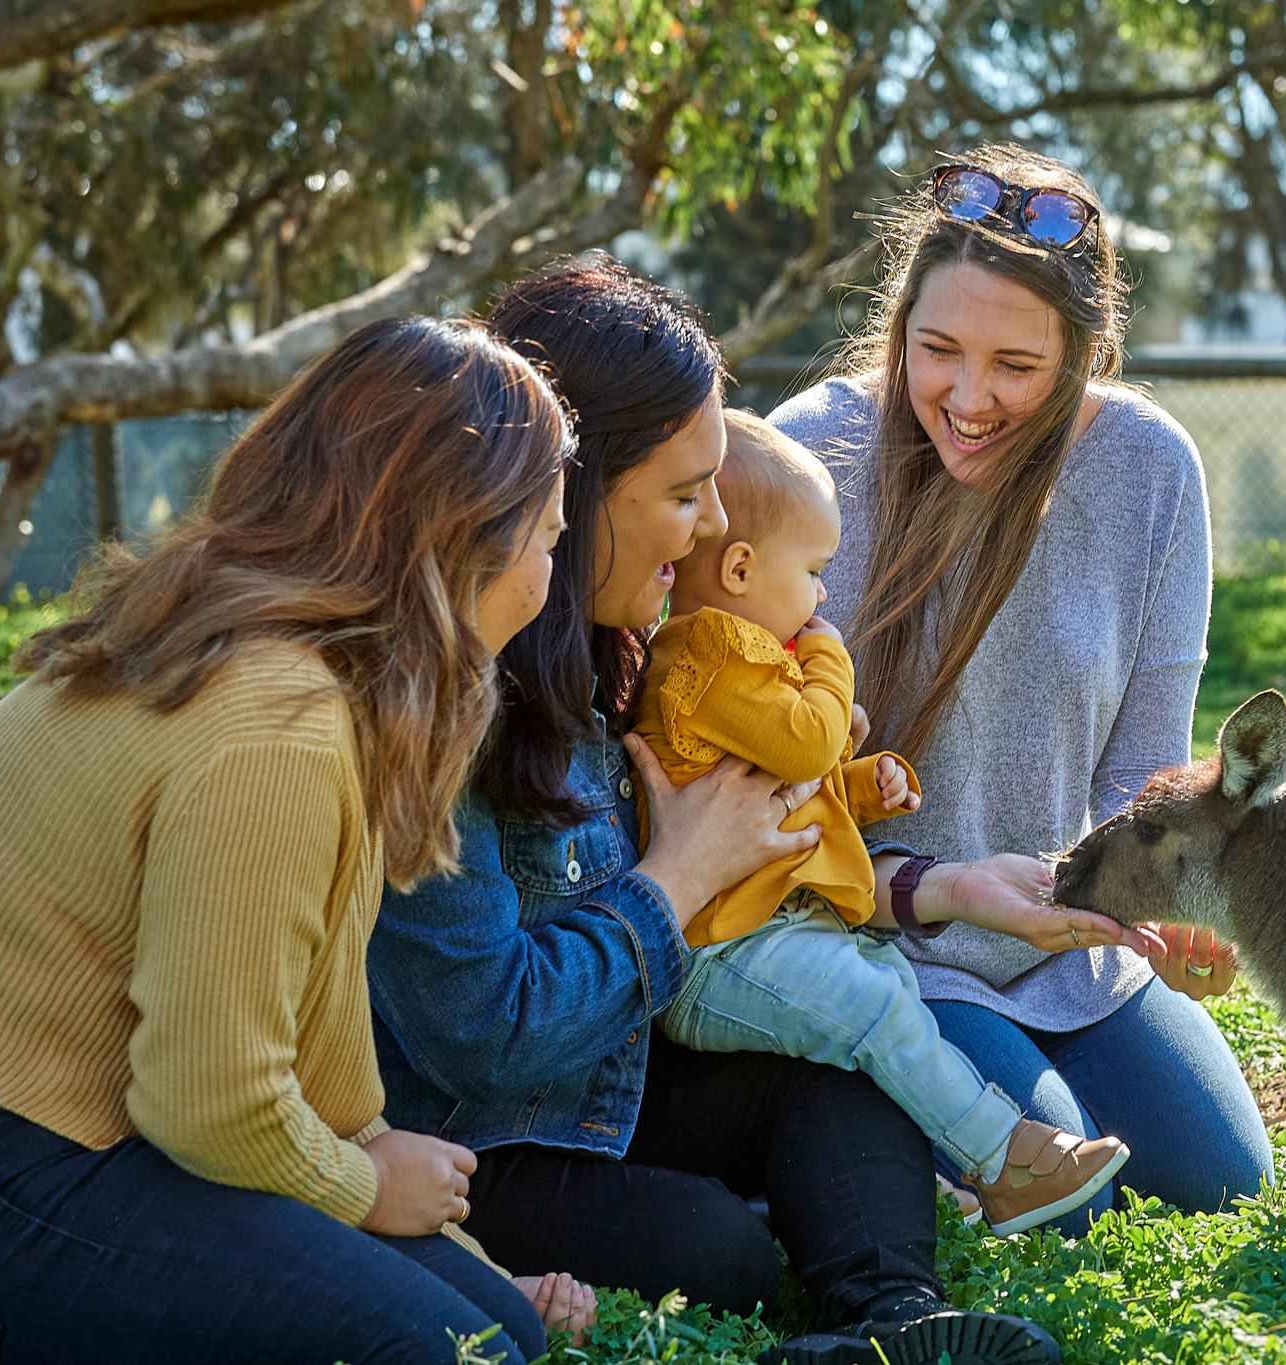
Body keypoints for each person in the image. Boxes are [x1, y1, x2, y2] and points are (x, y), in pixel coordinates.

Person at [363, 257, 1097, 1365]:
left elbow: (762, 863)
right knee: (719, 1254)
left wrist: (927, 883)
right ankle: (790, 1242)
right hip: (483, 1134)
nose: (709, 526)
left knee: (844, 1061)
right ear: (571, 485)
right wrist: (675, 881)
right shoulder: (451, 704)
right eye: (679, 492)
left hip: (621, 1069)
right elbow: (483, 1042)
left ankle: (892, 1323)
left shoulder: (631, 657)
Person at [0, 316, 594, 1364]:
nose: (551, 579)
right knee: (441, 1355)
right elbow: (208, 1099)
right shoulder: (276, 721)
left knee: (492, 1329)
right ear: (464, 535)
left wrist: (400, 1192)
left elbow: (298, 1029)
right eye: (550, 539)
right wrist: (364, 1187)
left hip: (71, 1125)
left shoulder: (300, 666)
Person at [770, 143, 1274, 1232]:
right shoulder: (810, 453)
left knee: (1217, 1183)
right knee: (1072, 1215)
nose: (967, 397)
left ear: (1083, 354)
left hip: (1069, 938)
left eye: (1016, 365)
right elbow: (760, 793)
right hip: (889, 938)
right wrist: (937, 887)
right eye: (936, 350)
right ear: (898, 326)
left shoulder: (1149, 465)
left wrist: (1156, 898)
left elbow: (1146, 756)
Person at [633, 409, 1130, 1236]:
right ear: (743, 568)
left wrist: (861, 788)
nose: (824, 596)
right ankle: (1008, 1160)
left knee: (891, 987)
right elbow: (807, 739)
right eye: (815, 572)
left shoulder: (746, 664)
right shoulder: (706, 656)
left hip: (776, 931)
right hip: (720, 952)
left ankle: (927, 1176)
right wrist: (830, 658)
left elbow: (792, 789)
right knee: (876, 1007)